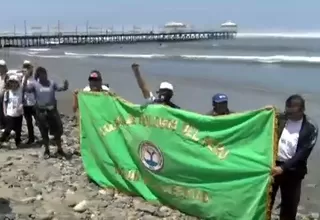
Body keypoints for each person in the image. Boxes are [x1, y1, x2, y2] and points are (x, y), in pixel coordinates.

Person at [270, 94, 318, 220]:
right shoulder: (281, 119)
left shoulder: (310, 128)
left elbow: (303, 153)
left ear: (302, 110)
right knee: (266, 201)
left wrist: (283, 168)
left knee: (289, 207)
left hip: (293, 171)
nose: (288, 114)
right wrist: (266, 113)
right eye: (287, 111)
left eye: (292, 112)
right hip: (273, 166)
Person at [23, 66, 69, 158]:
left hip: (52, 111)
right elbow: (25, 89)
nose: (44, 76)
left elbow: (61, 88)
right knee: (44, 132)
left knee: (57, 131)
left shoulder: (52, 83)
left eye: (45, 74)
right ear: (38, 75)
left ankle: (60, 149)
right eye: (42, 74)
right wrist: (25, 79)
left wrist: (65, 86)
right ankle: (47, 150)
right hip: (41, 112)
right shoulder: (34, 84)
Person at [0, 75, 24, 147]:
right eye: (11, 82)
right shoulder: (7, 92)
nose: (13, 84)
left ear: (18, 83)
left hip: (19, 114)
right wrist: (5, 112)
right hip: (10, 114)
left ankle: (18, 142)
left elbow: (23, 80)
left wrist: (22, 106)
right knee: (8, 128)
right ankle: (1, 140)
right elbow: (4, 103)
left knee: (18, 129)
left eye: (15, 82)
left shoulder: (20, 90)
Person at [22, 60, 37, 144]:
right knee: (29, 122)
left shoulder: (35, 78)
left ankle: (44, 136)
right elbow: (22, 90)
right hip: (25, 104)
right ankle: (31, 138)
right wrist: (25, 78)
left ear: (31, 68)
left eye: (28, 67)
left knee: (38, 121)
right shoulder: (21, 78)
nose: (27, 69)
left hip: (34, 103)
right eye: (25, 67)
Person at [0, 60, 8, 130]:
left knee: (4, 111)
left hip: (4, 97)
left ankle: (6, 125)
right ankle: (1, 125)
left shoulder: (7, 77)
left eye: (1, 67)